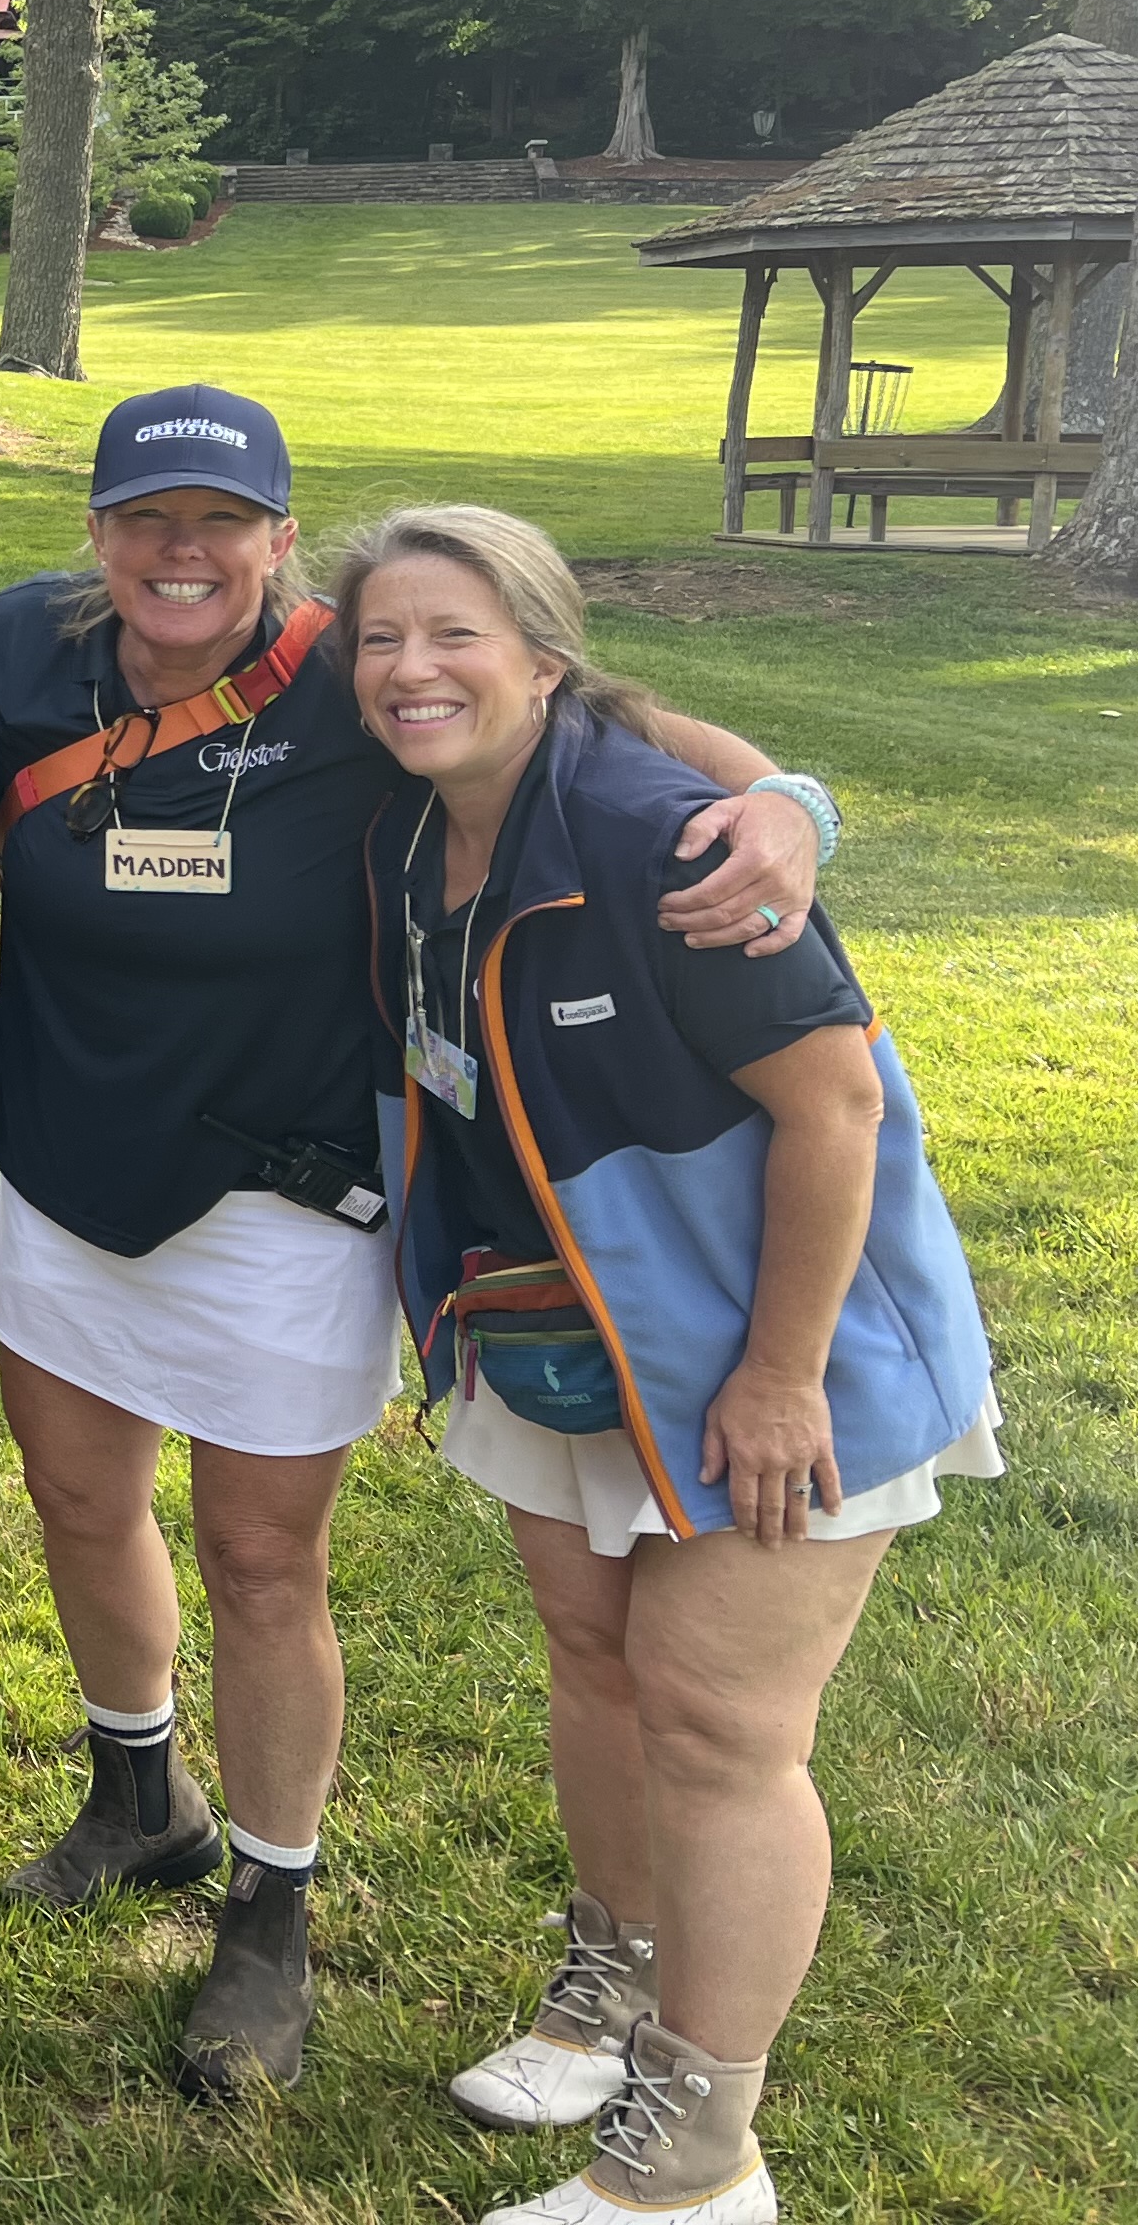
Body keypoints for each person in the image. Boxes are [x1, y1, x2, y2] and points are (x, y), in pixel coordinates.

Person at [0, 383, 831, 2100]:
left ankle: (270, 1910)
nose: (180, 554)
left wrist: (788, 802)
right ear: (98, 534)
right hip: (65, 1165)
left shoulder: (363, 668)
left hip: (282, 1191)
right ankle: (141, 1799)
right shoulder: (15, 656)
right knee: (78, 1500)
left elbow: (628, 735)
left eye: (221, 524)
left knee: (263, 1562)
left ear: (280, 539)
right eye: (144, 519)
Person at [336, 504, 997, 2225]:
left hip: (777, 1349)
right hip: (565, 1332)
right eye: (381, 638)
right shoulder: (414, 828)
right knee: (597, 1662)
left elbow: (836, 1109)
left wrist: (781, 1376)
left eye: (457, 635)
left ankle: (701, 2161)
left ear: (547, 658)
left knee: (717, 1726)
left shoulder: (663, 845)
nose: (411, 670)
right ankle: (613, 1991)